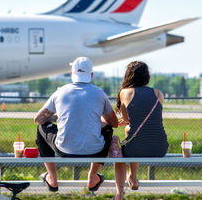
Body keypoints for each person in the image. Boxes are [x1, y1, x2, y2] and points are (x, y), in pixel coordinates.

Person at [34, 57, 118, 192]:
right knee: (107, 130)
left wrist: (58, 117)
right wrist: (96, 118)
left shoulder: (60, 92)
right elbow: (114, 123)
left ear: (72, 73)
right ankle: (93, 176)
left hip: (64, 150)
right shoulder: (99, 93)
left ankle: (52, 177)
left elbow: (38, 120)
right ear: (91, 75)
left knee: (41, 128)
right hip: (94, 151)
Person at [114, 61, 168, 200]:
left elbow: (127, 120)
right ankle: (133, 177)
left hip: (136, 149)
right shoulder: (158, 93)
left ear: (129, 76)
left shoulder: (125, 92)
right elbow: (153, 120)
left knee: (127, 133)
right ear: (147, 76)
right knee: (131, 131)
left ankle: (128, 182)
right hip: (160, 148)